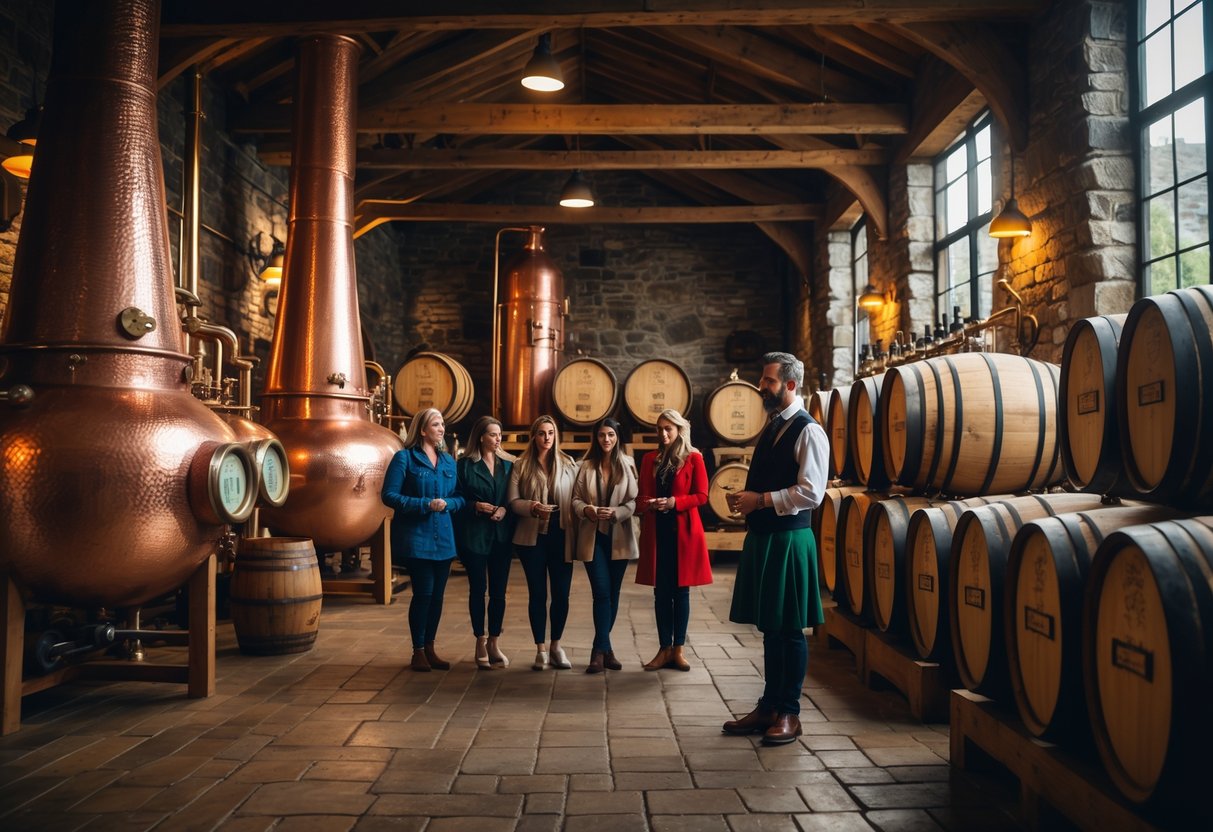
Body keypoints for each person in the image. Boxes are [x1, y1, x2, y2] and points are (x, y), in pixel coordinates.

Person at [723, 351, 828, 744]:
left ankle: (790, 712)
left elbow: (812, 492)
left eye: (768, 381)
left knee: (790, 630)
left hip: (790, 539)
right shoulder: (772, 426)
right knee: (771, 627)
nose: (761, 386)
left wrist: (761, 500)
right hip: (768, 538)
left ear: (790, 385)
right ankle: (769, 705)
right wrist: (748, 500)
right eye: (763, 379)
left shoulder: (808, 430)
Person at [381, 407, 466, 672]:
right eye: (436, 425)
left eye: (443, 425)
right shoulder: (404, 458)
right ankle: (417, 650)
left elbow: (461, 497)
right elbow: (389, 496)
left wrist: (448, 503)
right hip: (417, 538)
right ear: (422, 429)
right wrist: (424, 504)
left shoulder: (449, 462)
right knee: (424, 594)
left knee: (438, 597)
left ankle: (430, 647)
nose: (442, 429)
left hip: (444, 539)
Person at [635, 408, 712, 672]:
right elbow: (640, 499)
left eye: (668, 428)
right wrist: (650, 504)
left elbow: (702, 495)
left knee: (681, 592)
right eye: (660, 429)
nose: (664, 433)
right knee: (660, 593)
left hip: (684, 533)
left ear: (680, 430)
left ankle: (678, 649)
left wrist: (674, 502)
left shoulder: (693, 459)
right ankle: (663, 648)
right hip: (658, 532)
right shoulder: (649, 459)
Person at [507, 415, 577, 671]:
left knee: (562, 594)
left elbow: (577, 498)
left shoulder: (569, 464)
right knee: (538, 594)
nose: (546, 438)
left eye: (550, 433)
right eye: (541, 433)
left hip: (561, 535)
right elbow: (513, 501)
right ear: (533, 436)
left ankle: (557, 645)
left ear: (555, 435)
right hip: (532, 538)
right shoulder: (521, 465)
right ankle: (540, 649)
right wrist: (532, 507)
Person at [571, 417, 639, 674]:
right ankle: (599, 651)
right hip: (593, 536)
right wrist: (587, 510)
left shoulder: (629, 464)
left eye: (610, 434)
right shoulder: (586, 466)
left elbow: (634, 501)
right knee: (601, 591)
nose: (606, 439)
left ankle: (603, 648)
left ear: (617, 436)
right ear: (596, 438)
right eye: (601, 435)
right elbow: (575, 500)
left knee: (613, 593)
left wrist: (617, 513)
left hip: (619, 535)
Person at [456, 415, 514, 669]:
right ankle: (479, 639)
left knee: (499, 592)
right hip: (475, 535)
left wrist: (505, 509)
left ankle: (494, 641)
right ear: (481, 436)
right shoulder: (465, 465)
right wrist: (475, 505)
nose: (497, 438)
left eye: (499, 434)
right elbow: (457, 498)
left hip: (501, 536)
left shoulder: (509, 464)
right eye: (492, 434)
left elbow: (515, 496)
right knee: (478, 590)